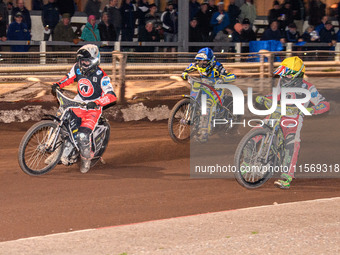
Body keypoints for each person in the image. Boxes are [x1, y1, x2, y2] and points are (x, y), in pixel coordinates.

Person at [256, 56, 330, 189]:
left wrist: (311, 109)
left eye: (288, 74)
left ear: (297, 75)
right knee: (256, 130)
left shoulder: (309, 88)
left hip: (293, 119)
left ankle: (286, 177)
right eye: (283, 73)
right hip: (277, 113)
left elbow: (324, 104)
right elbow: (276, 96)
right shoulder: (281, 82)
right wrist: (264, 98)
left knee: (292, 142)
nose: (284, 77)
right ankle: (245, 160)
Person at [51, 44, 117, 173]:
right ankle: (59, 152)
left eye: (87, 61)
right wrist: (58, 84)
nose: (84, 64)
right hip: (78, 102)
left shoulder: (102, 76)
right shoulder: (77, 68)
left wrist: (97, 102)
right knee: (62, 122)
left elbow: (112, 96)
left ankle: (86, 159)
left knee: (82, 135)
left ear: (94, 60)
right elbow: (68, 78)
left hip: (93, 108)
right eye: (82, 61)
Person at [181, 47, 236, 141]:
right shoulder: (196, 65)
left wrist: (222, 79)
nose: (201, 64)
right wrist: (184, 73)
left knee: (207, 106)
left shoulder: (217, 66)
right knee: (197, 102)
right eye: (199, 61)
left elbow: (232, 76)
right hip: (204, 88)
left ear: (210, 61)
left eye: (204, 61)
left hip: (217, 90)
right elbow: (186, 70)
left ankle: (204, 134)